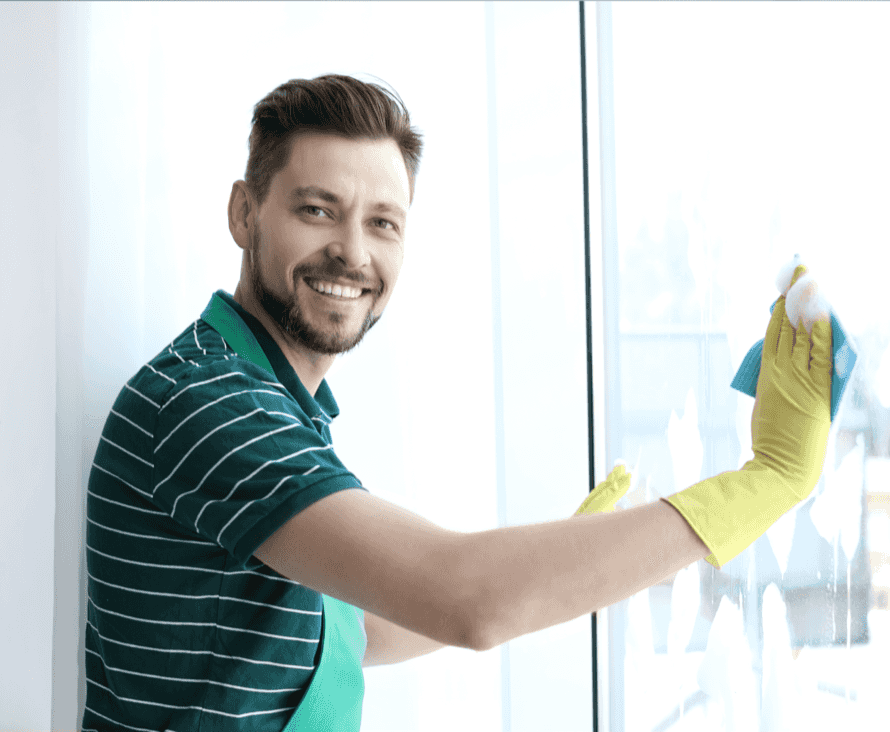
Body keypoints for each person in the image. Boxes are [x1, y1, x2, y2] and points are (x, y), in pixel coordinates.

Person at [81, 74, 832, 731]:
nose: (353, 252)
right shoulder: (210, 403)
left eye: (383, 222)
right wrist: (764, 483)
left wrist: (571, 560)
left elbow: (352, 629)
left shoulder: (269, 397)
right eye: (317, 210)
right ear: (245, 213)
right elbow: (466, 598)